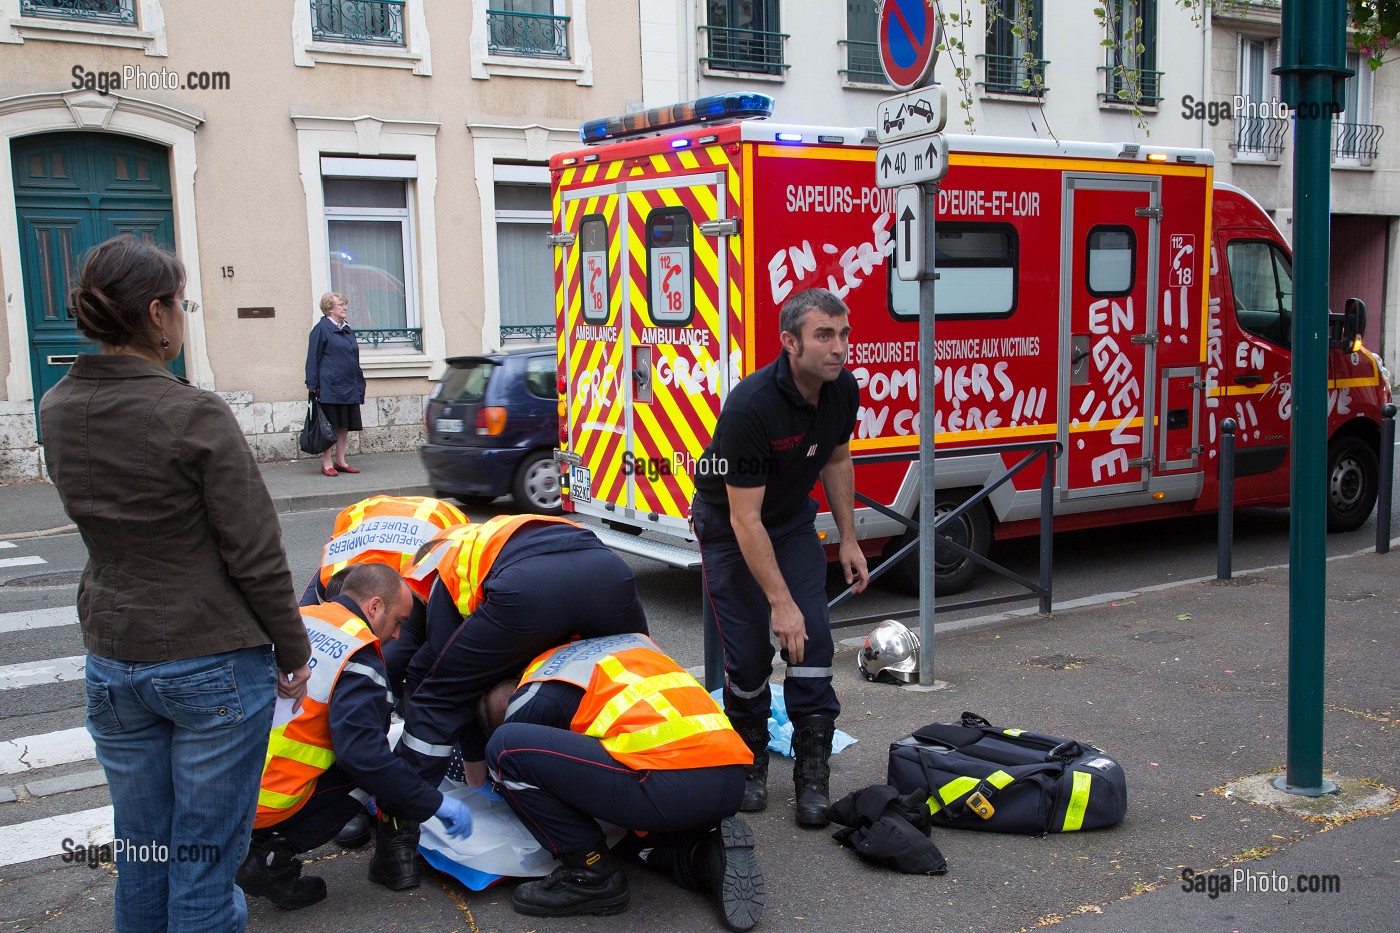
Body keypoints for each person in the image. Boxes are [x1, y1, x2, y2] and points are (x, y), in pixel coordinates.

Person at [39, 234, 313, 932]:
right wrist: (293, 651)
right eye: (182, 305)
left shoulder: (59, 406)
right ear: (157, 313)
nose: (184, 318)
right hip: (209, 658)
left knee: (145, 850)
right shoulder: (193, 413)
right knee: (203, 868)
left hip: (114, 654)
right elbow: (254, 552)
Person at [689, 287, 869, 828]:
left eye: (843, 334)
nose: (838, 347)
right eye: (824, 335)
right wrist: (779, 603)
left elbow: (837, 459)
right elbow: (745, 519)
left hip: (789, 521)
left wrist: (849, 538)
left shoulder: (843, 391)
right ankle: (747, 765)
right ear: (790, 342)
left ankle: (812, 776)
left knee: (812, 640)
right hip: (730, 526)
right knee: (747, 658)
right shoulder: (752, 405)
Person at [478, 633, 764, 930]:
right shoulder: (604, 649)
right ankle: (703, 859)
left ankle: (592, 877)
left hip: (668, 785)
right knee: (625, 836)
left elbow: (528, 775)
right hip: (730, 779)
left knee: (504, 750)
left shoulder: (528, 698)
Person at [239, 564, 473, 909]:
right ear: (374, 607)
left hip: (226, 782)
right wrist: (432, 802)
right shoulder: (358, 655)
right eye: (398, 621)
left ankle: (242, 844)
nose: (396, 636)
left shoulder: (301, 617)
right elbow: (365, 757)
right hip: (267, 801)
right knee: (365, 777)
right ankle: (268, 854)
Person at [395, 515, 648, 794]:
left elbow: (452, 686)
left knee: (438, 697)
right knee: (640, 679)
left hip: (529, 589)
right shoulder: (497, 534)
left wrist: (475, 775)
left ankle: (402, 814)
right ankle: (655, 771)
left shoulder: (444, 571)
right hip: (609, 575)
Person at [298, 494, 467, 849]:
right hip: (400, 589)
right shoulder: (447, 540)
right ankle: (396, 837)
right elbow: (441, 666)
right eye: (395, 626)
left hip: (243, 789)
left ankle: (363, 809)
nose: (395, 635)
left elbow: (301, 641)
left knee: (350, 691)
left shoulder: (346, 543)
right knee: (376, 704)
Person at [305, 291, 365, 477]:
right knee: (329, 425)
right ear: (329, 309)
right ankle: (327, 462)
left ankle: (340, 460)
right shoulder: (321, 329)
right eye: (340, 305)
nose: (345, 307)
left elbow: (353, 357)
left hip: (349, 384)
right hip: (330, 385)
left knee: (343, 424)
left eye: (345, 304)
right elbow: (312, 359)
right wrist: (312, 384)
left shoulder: (347, 329)